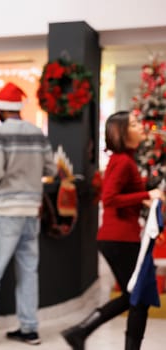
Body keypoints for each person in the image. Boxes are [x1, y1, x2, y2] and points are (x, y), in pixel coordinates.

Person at [61, 111, 165, 350]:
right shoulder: (122, 161)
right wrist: (146, 194)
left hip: (120, 238)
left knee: (134, 297)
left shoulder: (124, 160)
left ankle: (80, 332)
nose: (140, 127)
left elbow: (121, 196)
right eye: (134, 123)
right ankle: (81, 332)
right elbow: (109, 198)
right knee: (138, 299)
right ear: (120, 132)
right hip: (120, 239)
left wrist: (143, 199)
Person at [0, 82, 57, 346]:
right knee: (28, 272)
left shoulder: (0, 134)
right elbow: (52, 171)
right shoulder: (37, 133)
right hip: (31, 213)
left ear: (1, 109)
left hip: (5, 212)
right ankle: (29, 329)